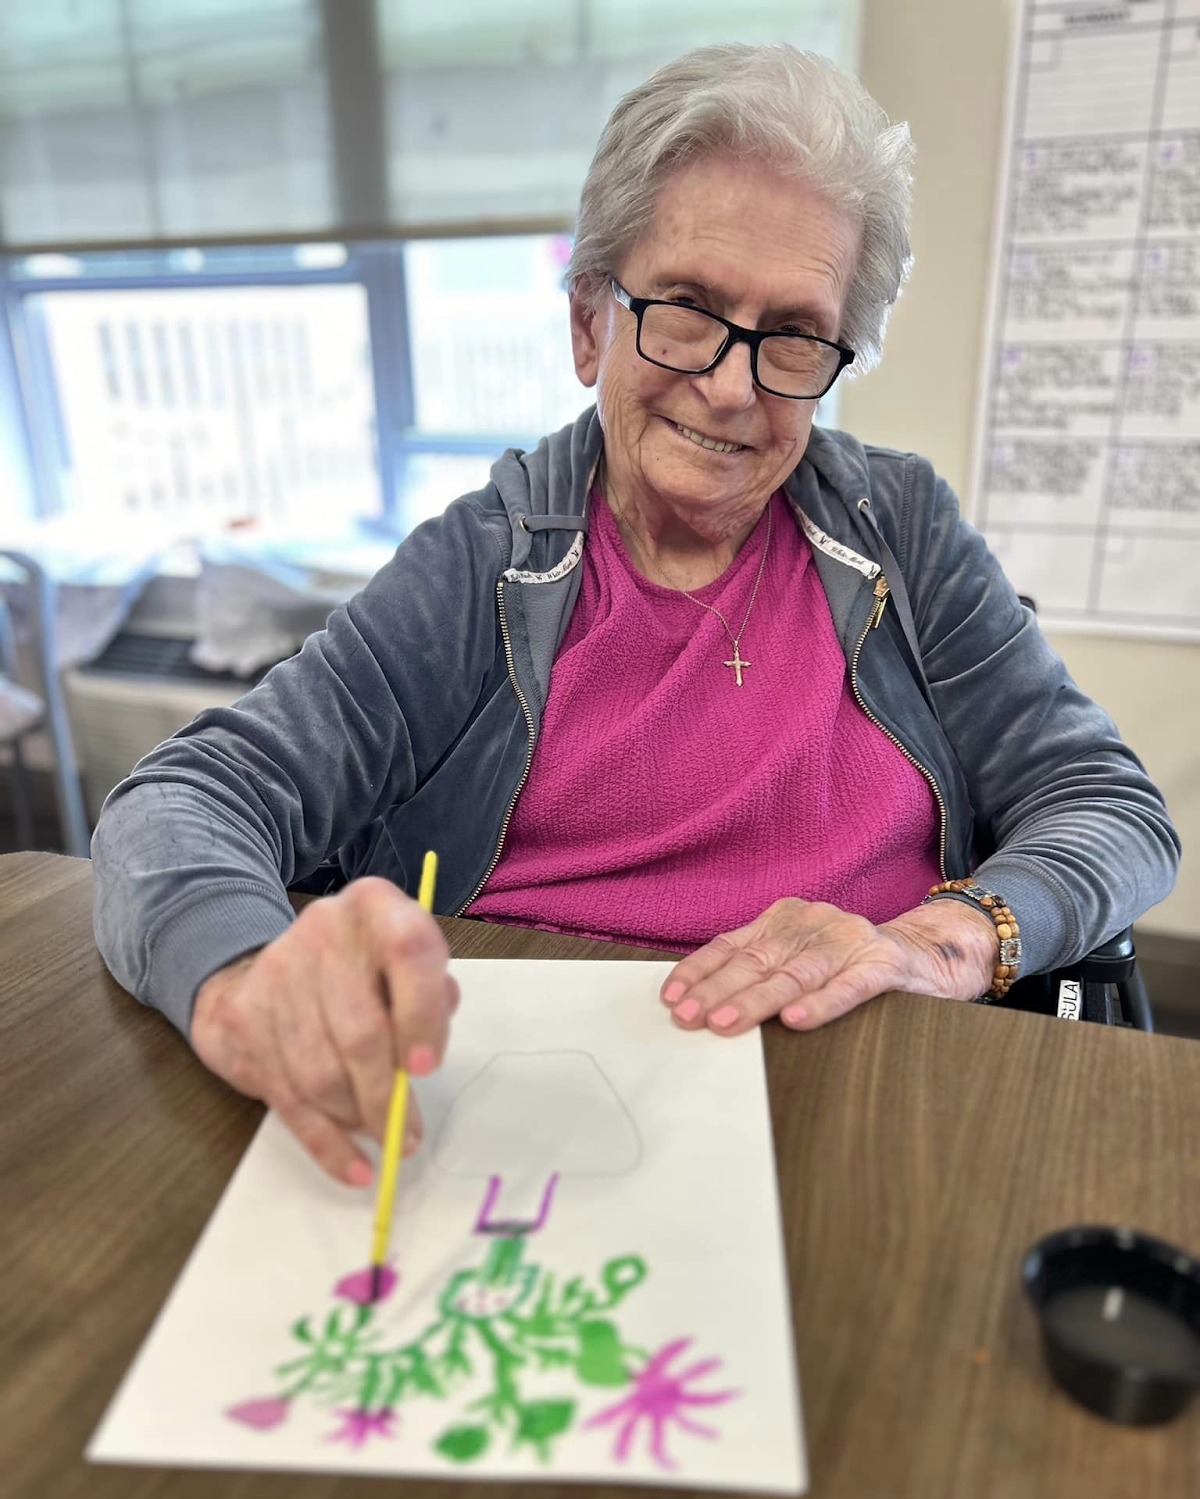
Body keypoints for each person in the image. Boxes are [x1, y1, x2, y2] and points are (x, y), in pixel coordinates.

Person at [92, 44, 1180, 1186]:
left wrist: (932, 945)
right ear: (587, 323)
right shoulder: (484, 566)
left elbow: (1109, 806)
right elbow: (184, 803)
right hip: (527, 1124)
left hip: (867, 1118)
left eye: (794, 335)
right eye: (687, 309)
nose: (730, 384)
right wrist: (243, 976)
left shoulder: (899, 532)